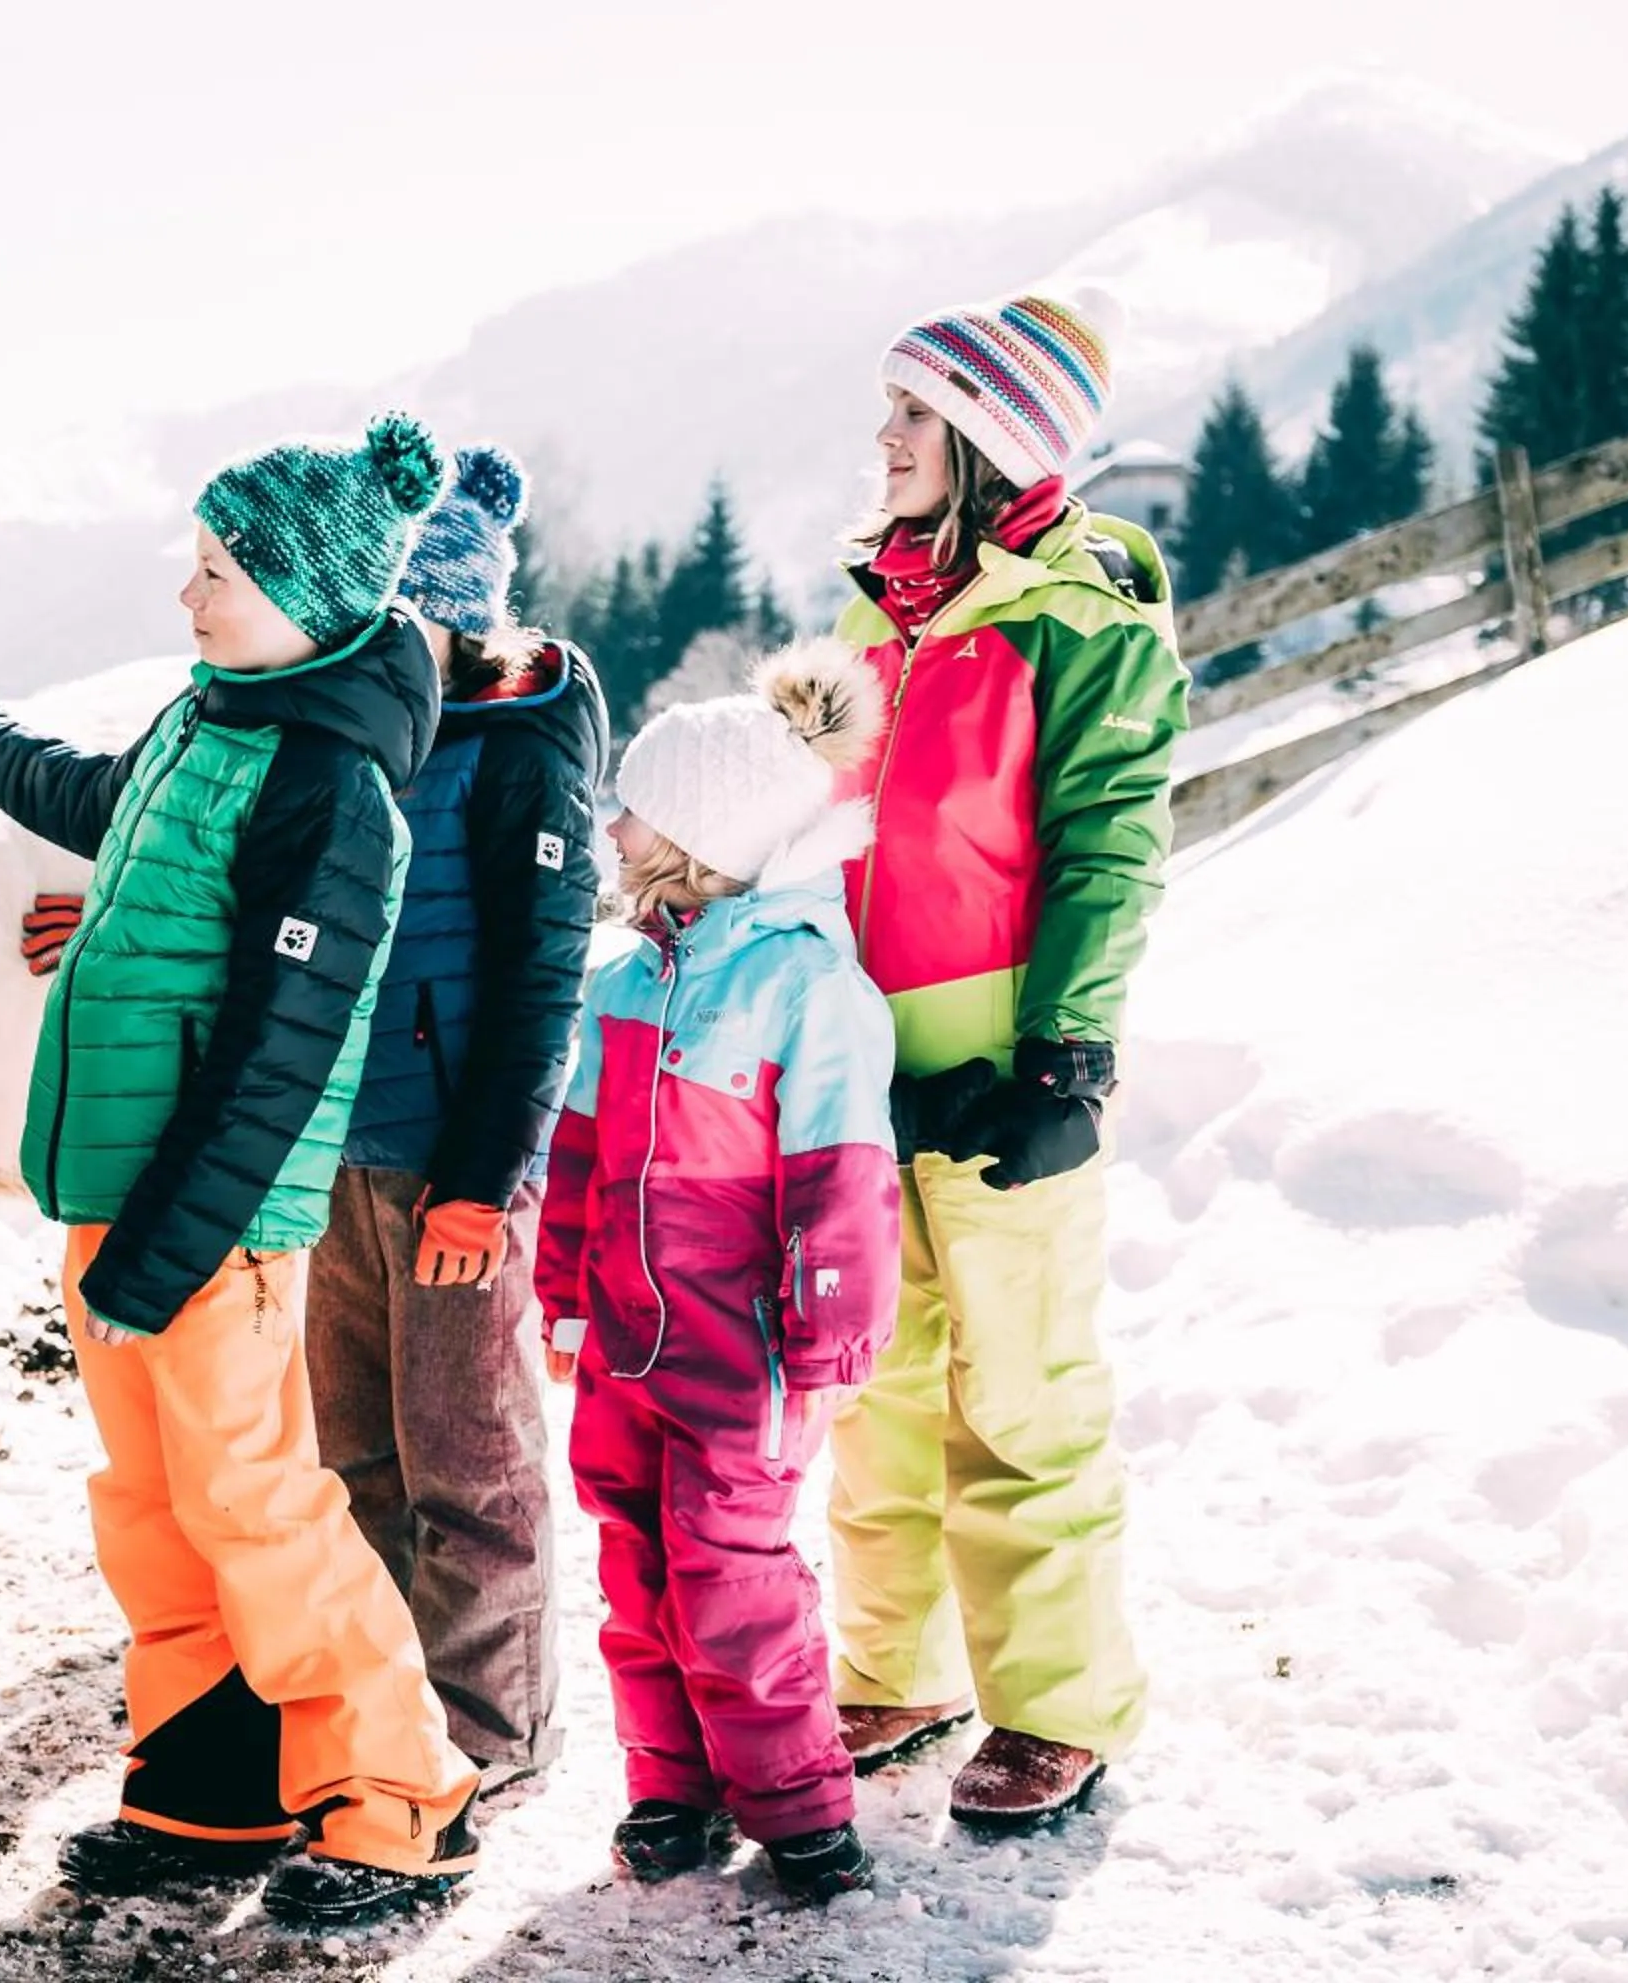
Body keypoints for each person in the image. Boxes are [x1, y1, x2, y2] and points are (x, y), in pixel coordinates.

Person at [0, 417, 481, 1927]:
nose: (190, 595)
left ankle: (402, 1797)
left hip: (212, 1221)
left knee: (255, 1499)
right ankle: (210, 1776)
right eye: (195, 562)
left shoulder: (330, 789)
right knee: (155, 1500)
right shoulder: (209, 721)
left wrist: (169, 1244)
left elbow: (280, 1053)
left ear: (306, 595)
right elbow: (89, 798)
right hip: (123, 1192)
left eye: (220, 571)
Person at [820, 284, 1189, 1830]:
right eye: (893, 409)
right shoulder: (871, 609)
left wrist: (1068, 1057)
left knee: (1023, 1393)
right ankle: (894, 1670)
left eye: (913, 413)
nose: (885, 437)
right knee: (876, 1386)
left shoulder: (1085, 610)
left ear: (986, 433)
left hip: (1002, 1063)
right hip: (858, 1051)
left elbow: (1110, 837)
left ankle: (1058, 1706)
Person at [537, 638, 902, 1902]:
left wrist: (829, 1337)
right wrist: (566, 1297)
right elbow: (580, 1156)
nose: (615, 824)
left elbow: (845, 1176)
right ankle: (671, 1785)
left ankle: (796, 1797)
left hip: (744, 1346)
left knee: (730, 1566)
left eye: (634, 804)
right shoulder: (626, 984)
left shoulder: (806, 985)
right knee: (635, 1556)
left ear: (696, 830)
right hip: (630, 1340)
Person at [306, 443, 604, 1795]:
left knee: (467, 1467)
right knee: (353, 1455)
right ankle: (386, 1725)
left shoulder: (519, 753)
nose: (383, 646)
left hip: (452, 1170)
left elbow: (543, 983)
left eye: (409, 622)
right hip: (335, 1162)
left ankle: (491, 1733)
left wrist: (484, 1180)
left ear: (466, 622)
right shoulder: (359, 732)